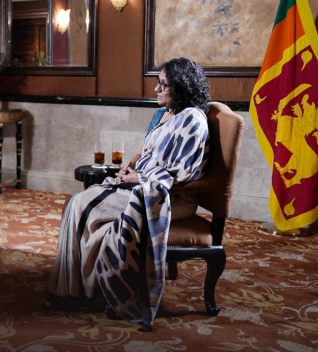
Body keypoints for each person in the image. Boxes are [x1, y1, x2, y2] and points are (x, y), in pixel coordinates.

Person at [46, 57, 210, 331]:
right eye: (157, 82)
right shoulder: (166, 113)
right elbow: (149, 150)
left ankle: (85, 292)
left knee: (81, 204)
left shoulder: (192, 119)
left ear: (181, 87)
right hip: (142, 186)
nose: (156, 89)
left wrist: (140, 178)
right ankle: (78, 287)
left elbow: (184, 173)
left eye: (164, 85)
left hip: (166, 197)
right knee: (77, 204)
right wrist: (132, 163)